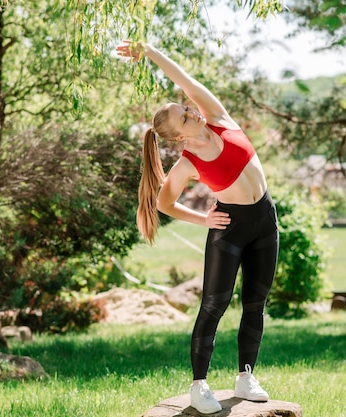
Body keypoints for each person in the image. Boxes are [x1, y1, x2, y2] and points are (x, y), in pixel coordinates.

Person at [116, 40, 279, 415]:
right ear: (178, 137)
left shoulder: (219, 117)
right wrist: (204, 219)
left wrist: (151, 51)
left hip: (265, 221)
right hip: (230, 228)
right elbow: (163, 202)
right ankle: (199, 385)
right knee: (214, 305)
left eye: (186, 108)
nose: (191, 112)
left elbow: (185, 80)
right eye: (184, 117)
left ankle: (246, 376)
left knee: (256, 303)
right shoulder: (188, 163)